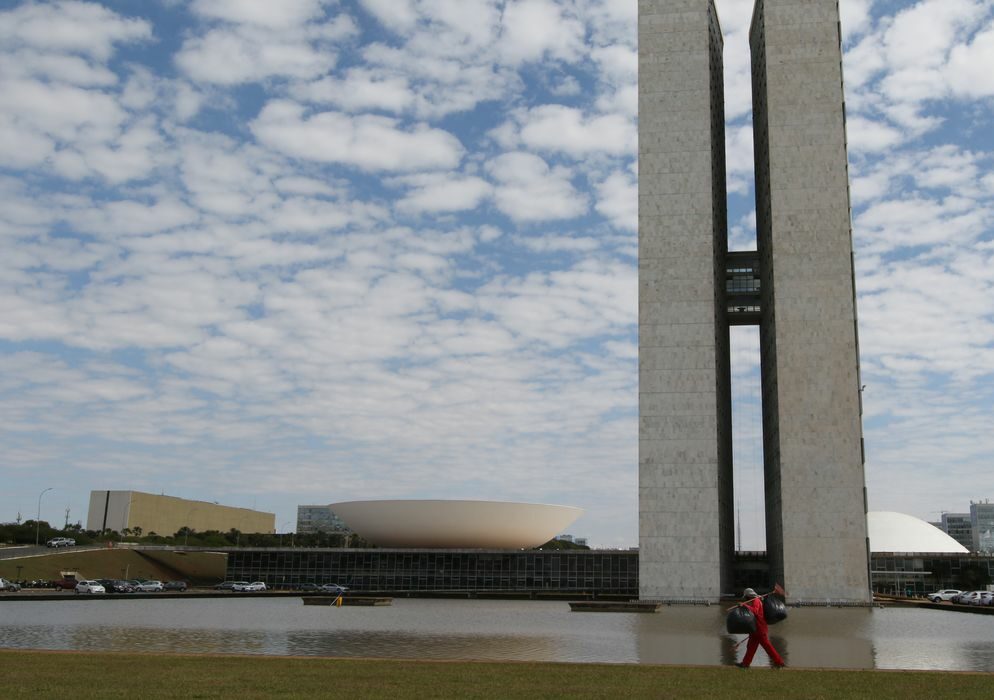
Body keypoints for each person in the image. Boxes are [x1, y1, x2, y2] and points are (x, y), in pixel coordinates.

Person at [737, 587, 785, 669]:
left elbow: (755, 611)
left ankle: (779, 662)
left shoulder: (756, 601)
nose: (745, 598)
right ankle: (745, 664)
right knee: (750, 647)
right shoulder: (753, 601)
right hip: (754, 629)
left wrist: (745, 605)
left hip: (760, 629)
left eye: (746, 597)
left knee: (768, 647)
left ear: (748, 596)